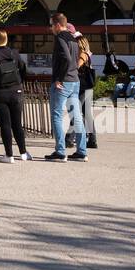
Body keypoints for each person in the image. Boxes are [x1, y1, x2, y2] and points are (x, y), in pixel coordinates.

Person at [0, 29, 29, 163]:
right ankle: (23, 152)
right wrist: (19, 83)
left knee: (5, 124)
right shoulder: (14, 53)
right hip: (16, 91)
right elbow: (23, 69)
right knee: (17, 124)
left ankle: (9, 155)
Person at [46, 14, 87, 162]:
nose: (51, 28)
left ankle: (60, 151)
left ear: (57, 25)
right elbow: (74, 59)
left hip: (63, 82)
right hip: (75, 81)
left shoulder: (60, 38)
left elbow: (66, 58)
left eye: (51, 25)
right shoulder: (73, 38)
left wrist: (59, 78)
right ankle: (82, 151)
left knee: (56, 116)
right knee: (76, 117)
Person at [73, 35, 98, 150]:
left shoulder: (83, 54)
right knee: (86, 114)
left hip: (83, 87)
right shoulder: (87, 53)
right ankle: (92, 140)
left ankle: (71, 138)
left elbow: (77, 67)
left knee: (77, 111)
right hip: (87, 86)